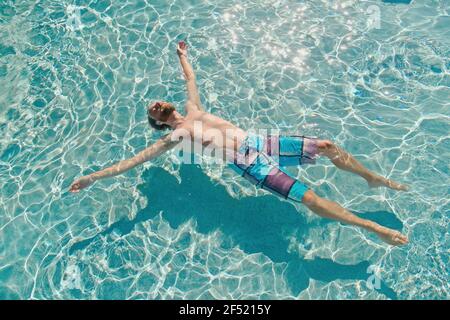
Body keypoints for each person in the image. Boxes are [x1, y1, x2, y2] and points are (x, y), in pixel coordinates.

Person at [70, 41, 409, 246]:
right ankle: (370, 226)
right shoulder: (175, 137)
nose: (156, 104)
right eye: (153, 110)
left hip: (258, 140)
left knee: (326, 145)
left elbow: (190, 78)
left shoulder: (193, 108)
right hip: (248, 163)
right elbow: (131, 162)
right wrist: (91, 178)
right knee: (309, 198)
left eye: (156, 102)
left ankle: (369, 177)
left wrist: (181, 55)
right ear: (158, 123)